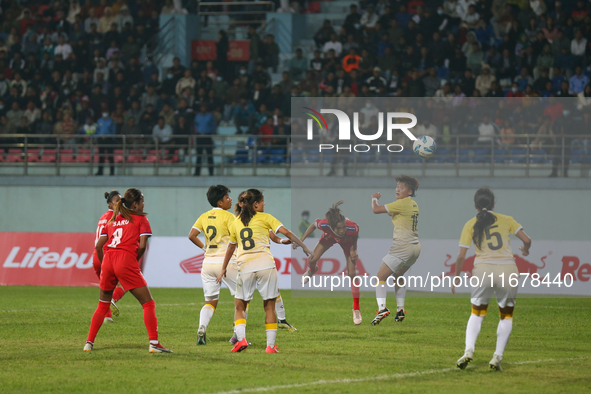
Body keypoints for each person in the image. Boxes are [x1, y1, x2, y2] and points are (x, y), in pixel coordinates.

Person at [188, 186, 298, 346]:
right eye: (227, 197)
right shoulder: (230, 217)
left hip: (207, 263)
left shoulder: (204, 216)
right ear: (220, 201)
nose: (230, 199)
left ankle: (202, 327)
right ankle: (238, 336)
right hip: (228, 262)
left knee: (210, 301)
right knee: (243, 301)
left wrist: (205, 248)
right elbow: (247, 232)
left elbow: (191, 235)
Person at [217, 189, 311, 353]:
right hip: (266, 265)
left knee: (240, 306)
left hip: (245, 266)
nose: (264, 204)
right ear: (255, 204)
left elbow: (231, 246)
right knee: (269, 307)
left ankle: (241, 340)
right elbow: (287, 232)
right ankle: (270, 346)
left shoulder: (236, 222)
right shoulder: (266, 218)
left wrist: (224, 267)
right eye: (262, 201)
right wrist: (303, 245)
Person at [85, 188, 172, 353]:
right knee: (148, 303)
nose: (144, 204)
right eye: (142, 201)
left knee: (102, 305)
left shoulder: (113, 218)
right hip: (125, 260)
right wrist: (133, 260)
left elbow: (98, 245)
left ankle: (89, 343)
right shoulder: (141, 219)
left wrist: (104, 264)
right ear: (136, 204)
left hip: (108, 260)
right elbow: (143, 246)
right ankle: (154, 343)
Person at [453, 187, 531, 371]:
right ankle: (497, 357)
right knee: (506, 315)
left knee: (477, 314)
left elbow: (461, 256)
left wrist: (456, 277)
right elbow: (526, 239)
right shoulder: (506, 220)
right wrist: (526, 249)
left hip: (483, 270)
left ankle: (468, 351)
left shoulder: (470, 224)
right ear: (493, 204)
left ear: (475, 205)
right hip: (507, 269)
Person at [298, 201, 362, 325]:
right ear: (332, 226)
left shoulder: (351, 227)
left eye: (343, 227)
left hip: (347, 242)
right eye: (339, 228)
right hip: (330, 237)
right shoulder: (325, 225)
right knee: (311, 260)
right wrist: (301, 240)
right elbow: (313, 225)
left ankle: (356, 309)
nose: (342, 230)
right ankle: (312, 270)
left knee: (352, 274)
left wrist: (354, 249)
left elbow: (355, 234)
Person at [370, 175, 421, 325]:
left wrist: (374, 198)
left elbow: (375, 209)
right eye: (397, 187)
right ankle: (400, 310)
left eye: (402, 187)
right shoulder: (412, 204)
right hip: (415, 248)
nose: (398, 189)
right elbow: (392, 213)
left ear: (409, 192)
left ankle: (382, 309)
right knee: (398, 275)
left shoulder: (402, 203)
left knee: (380, 278)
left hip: (402, 247)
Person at [91, 190, 127, 323]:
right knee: (125, 283)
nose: (120, 203)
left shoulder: (103, 217)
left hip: (97, 256)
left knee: (105, 288)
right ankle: (113, 299)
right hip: (107, 256)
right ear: (110, 205)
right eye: (117, 201)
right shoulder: (115, 219)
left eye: (121, 200)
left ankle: (107, 316)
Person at [194, 103, 216, 176]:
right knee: (199, 156)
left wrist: (211, 131)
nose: (203, 108)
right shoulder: (198, 116)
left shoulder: (210, 116)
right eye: (202, 107)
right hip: (200, 136)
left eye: (204, 107)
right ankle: (197, 173)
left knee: (209, 155)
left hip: (207, 136)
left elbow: (213, 125)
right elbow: (195, 125)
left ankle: (211, 172)